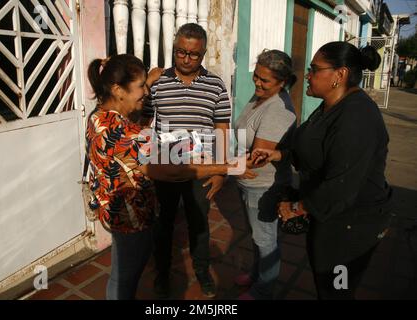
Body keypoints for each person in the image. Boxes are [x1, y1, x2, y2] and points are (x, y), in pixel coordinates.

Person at [86, 54, 258, 300]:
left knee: (121, 275)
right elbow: (174, 170)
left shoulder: (98, 117)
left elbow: (158, 145)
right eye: (139, 87)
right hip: (130, 219)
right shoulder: (123, 132)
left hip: (116, 212)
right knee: (125, 280)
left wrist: (230, 161)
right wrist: (229, 166)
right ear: (118, 89)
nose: (145, 93)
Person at [252, 41, 393, 300]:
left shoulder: (357, 117)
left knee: (337, 289)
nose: (307, 75)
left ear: (339, 75)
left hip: (351, 226)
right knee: (324, 281)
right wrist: (280, 154)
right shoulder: (330, 105)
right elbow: (314, 148)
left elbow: (342, 187)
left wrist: (296, 208)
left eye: (314, 69)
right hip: (329, 217)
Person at [142, 23, 231, 298]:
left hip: (200, 168)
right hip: (165, 165)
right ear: (174, 49)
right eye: (180, 52)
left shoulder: (216, 85)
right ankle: (163, 275)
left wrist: (220, 172)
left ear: (203, 53)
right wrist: (145, 161)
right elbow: (144, 122)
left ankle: (202, 270)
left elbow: (222, 129)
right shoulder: (158, 82)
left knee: (199, 222)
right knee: (163, 223)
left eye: (193, 54)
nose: (186, 58)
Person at [233, 50, 297, 300]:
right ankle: (257, 274)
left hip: (263, 185)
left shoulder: (278, 110)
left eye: (265, 80)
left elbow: (259, 158)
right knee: (256, 234)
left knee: (265, 240)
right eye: (256, 76)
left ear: (282, 82)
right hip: (247, 180)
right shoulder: (261, 96)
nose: (257, 83)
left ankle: (263, 290)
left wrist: (221, 167)